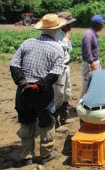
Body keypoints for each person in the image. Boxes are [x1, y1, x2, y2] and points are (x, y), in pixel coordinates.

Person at [10, 14, 65, 165]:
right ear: (57, 30)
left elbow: (14, 65)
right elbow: (55, 73)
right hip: (43, 93)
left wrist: (23, 82)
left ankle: (26, 155)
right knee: (47, 123)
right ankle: (46, 154)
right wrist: (39, 85)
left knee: (26, 122)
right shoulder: (57, 48)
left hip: (23, 92)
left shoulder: (27, 43)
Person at [53, 12, 76, 132]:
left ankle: (64, 117)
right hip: (59, 67)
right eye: (70, 23)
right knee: (58, 94)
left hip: (66, 66)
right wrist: (66, 40)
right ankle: (55, 123)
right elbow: (57, 51)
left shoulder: (64, 33)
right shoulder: (56, 35)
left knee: (67, 92)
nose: (71, 25)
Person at [80, 15, 105, 97]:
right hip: (90, 64)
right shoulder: (88, 35)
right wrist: (93, 65)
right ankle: (81, 104)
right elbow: (87, 52)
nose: (103, 26)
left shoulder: (93, 33)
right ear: (97, 24)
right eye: (102, 24)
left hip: (94, 62)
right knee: (87, 85)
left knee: (95, 84)